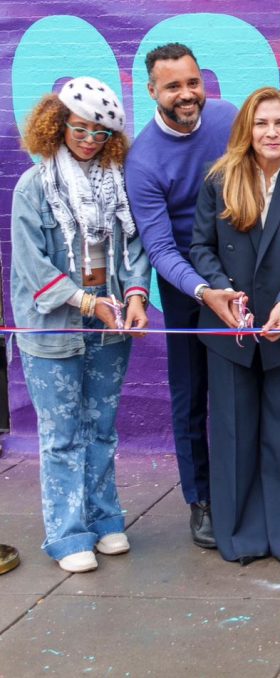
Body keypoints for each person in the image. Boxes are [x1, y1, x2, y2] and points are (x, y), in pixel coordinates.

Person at [11, 78, 151, 572]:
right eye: (82, 129)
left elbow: (134, 250)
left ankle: (105, 520)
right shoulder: (34, 187)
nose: (91, 140)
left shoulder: (118, 185)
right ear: (58, 124)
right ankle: (68, 534)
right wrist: (88, 303)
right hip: (52, 329)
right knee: (62, 434)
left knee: (102, 429)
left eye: (102, 134)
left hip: (109, 325)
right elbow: (31, 265)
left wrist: (135, 296)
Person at [190, 88, 280, 565]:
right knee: (232, 435)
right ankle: (242, 538)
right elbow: (201, 248)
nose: (272, 133)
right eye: (262, 123)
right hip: (229, 326)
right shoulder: (220, 178)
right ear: (247, 129)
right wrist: (219, 292)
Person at [126, 43, 242, 549]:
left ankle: (248, 490)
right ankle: (203, 501)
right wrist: (203, 291)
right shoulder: (144, 159)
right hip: (187, 287)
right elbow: (158, 246)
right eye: (173, 86)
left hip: (244, 273)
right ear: (152, 91)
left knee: (245, 390)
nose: (186, 94)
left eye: (192, 82)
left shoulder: (229, 119)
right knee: (191, 395)